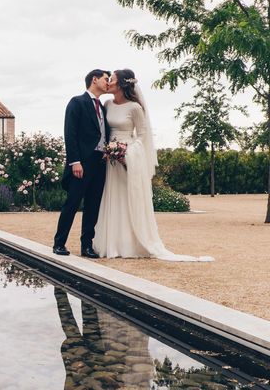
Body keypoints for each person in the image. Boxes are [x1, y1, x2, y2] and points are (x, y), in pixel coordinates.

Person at [93, 69, 213, 262]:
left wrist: (128, 153)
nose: (108, 83)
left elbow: (142, 135)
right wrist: (110, 151)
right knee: (112, 197)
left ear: (122, 84)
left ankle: (130, 243)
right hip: (110, 160)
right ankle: (112, 243)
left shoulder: (135, 108)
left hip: (128, 158)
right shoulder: (106, 104)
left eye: (112, 80)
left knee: (127, 197)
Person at [53, 69, 111, 258]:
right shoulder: (77, 102)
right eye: (105, 79)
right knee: (72, 203)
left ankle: (87, 246)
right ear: (94, 80)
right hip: (81, 163)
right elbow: (70, 134)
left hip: (100, 163)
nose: (108, 82)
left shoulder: (103, 107)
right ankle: (59, 243)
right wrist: (75, 162)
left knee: (93, 206)